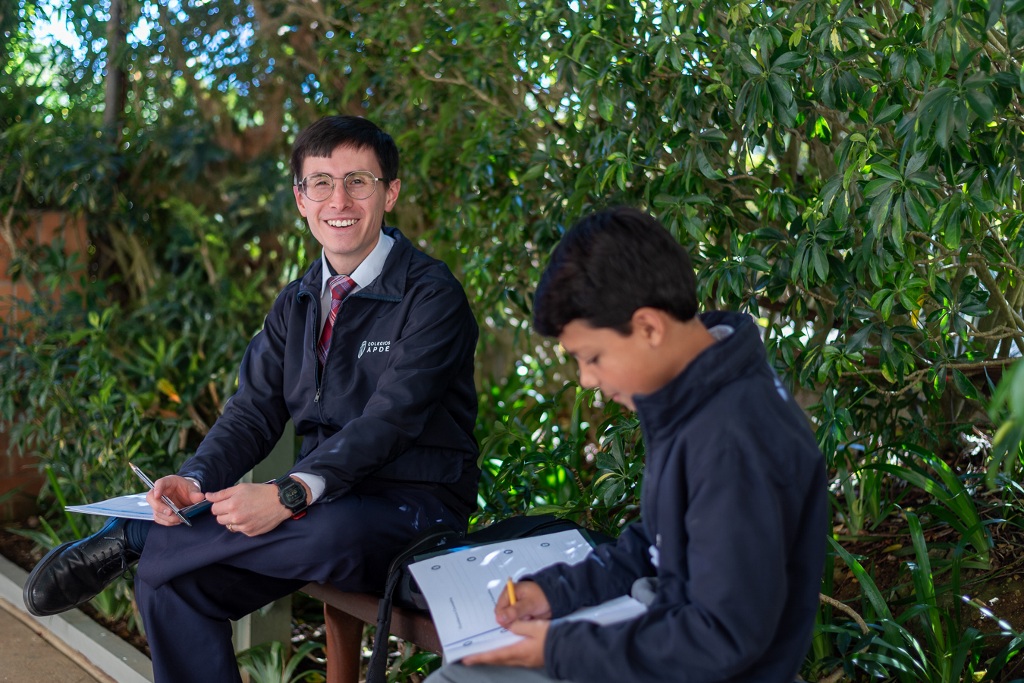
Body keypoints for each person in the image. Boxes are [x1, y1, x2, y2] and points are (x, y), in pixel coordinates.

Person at [23, 115, 481, 683]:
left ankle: (136, 535)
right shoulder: (297, 302)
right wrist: (195, 479)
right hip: (320, 508)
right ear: (301, 199)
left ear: (389, 193)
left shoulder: (431, 296)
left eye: (358, 181)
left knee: (321, 532)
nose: (339, 200)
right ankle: (143, 538)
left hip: (411, 510)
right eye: (321, 183)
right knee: (170, 584)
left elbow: (391, 420)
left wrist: (289, 492)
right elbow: (252, 412)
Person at [426, 206, 826, 683]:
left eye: (592, 357)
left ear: (649, 327)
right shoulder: (694, 390)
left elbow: (722, 636)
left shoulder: (733, 440)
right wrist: (557, 591)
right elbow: (657, 542)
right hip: (664, 627)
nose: (587, 380)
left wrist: (559, 649)